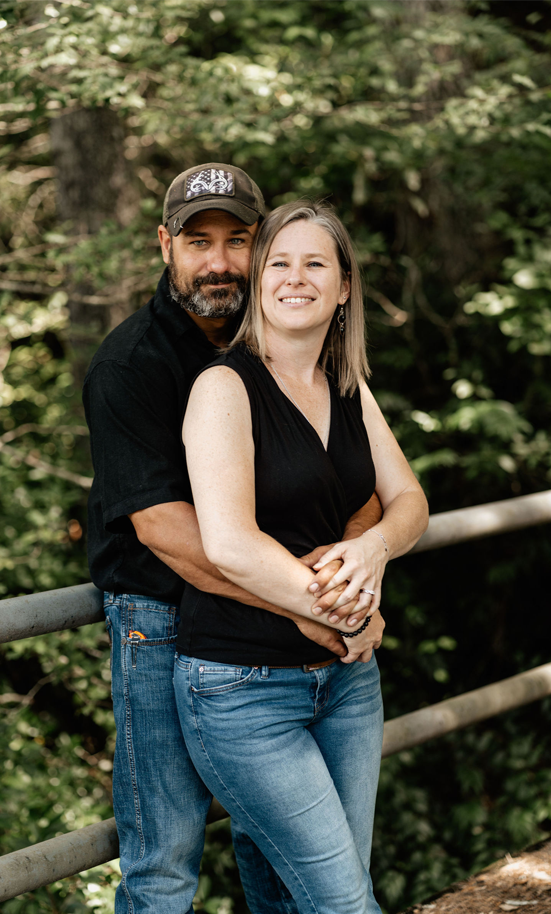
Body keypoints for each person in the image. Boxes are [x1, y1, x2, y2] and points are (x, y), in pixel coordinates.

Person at [83, 166, 383, 914]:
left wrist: (354, 575)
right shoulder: (129, 365)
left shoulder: (292, 348)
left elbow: (360, 484)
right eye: (198, 242)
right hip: (159, 619)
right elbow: (166, 530)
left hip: (276, 623)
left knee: (276, 853)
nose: (218, 262)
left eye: (238, 241)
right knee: (165, 860)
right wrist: (314, 607)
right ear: (165, 246)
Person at [174, 200, 429, 914]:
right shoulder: (223, 388)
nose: (295, 278)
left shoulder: (346, 387)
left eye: (316, 263)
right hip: (240, 688)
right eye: (279, 263)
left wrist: (373, 548)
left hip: (347, 686)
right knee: (343, 903)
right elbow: (229, 544)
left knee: (295, 899)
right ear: (258, 281)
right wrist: (351, 614)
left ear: (344, 287)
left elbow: (410, 500)